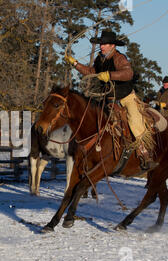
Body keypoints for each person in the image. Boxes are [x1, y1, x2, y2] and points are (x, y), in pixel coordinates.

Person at [65, 30, 157, 170]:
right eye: (101, 44)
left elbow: (128, 73)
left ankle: (145, 153)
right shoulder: (99, 59)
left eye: (105, 44)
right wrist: (76, 64)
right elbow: (92, 72)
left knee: (134, 120)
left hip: (126, 97)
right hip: (108, 98)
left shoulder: (120, 58)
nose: (101, 46)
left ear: (113, 45)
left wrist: (110, 75)